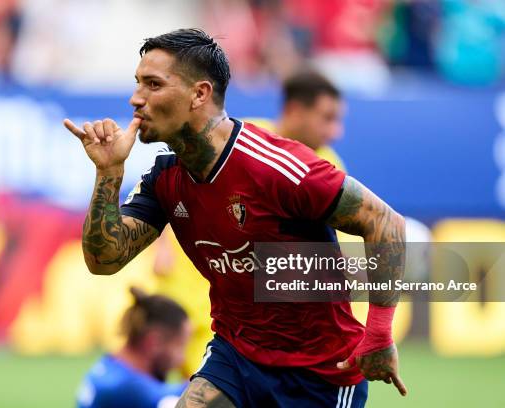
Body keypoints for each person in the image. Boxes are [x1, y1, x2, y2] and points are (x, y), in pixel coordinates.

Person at [64, 28, 407, 407]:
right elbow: (104, 260)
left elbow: (386, 223)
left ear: (199, 94)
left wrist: (378, 333)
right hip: (236, 358)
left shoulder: (276, 168)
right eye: (137, 83)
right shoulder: (165, 178)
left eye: (153, 84)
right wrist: (109, 173)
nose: (136, 98)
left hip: (319, 373)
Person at [76, 287, 192, 408]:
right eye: (180, 346)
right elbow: (172, 398)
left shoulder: (110, 366)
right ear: (154, 342)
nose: (182, 360)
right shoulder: (127, 388)